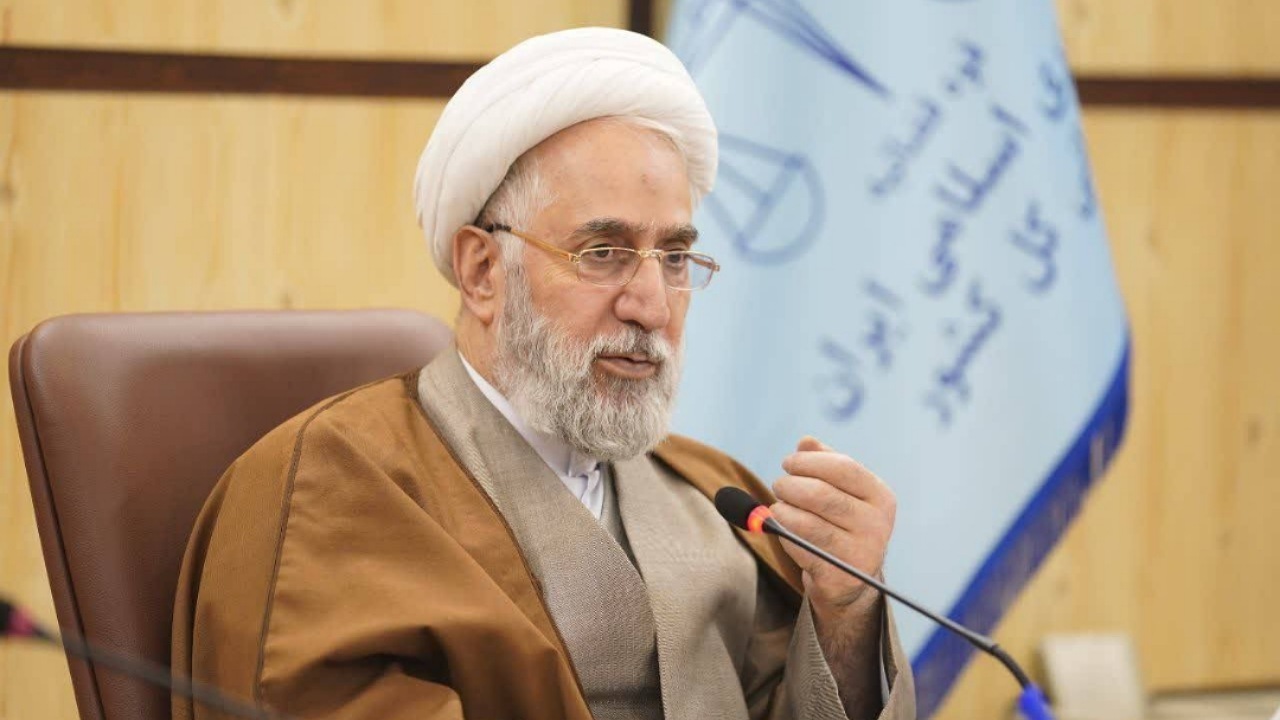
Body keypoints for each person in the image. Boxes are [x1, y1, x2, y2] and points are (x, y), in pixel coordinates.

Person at [172, 27, 915, 720]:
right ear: (483, 271)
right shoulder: (329, 485)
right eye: (603, 253)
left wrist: (844, 614)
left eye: (675, 257)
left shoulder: (710, 493)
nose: (652, 305)